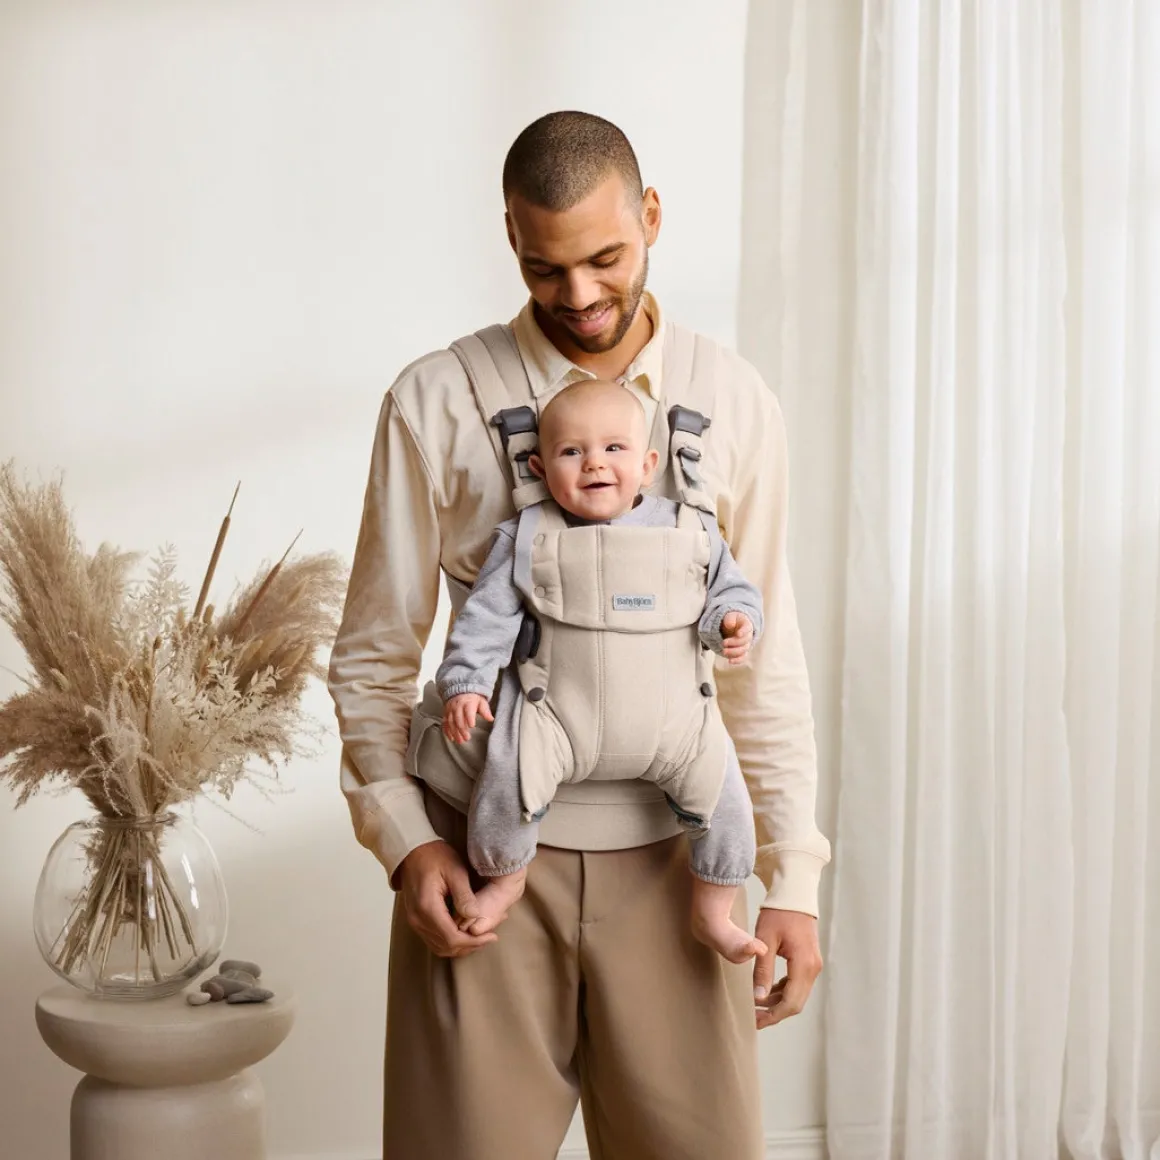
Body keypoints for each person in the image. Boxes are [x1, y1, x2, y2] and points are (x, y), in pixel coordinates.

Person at [328, 110, 832, 1160]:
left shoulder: (732, 400)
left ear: (651, 215)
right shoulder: (434, 400)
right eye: (544, 266)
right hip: (482, 857)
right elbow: (374, 655)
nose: (579, 295)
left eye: (606, 258)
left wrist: (792, 873)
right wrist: (405, 839)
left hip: (678, 861)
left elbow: (764, 658)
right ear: (510, 235)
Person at [436, 378, 767, 964]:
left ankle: (714, 909)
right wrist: (466, 683)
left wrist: (734, 622)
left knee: (727, 801)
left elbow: (733, 591)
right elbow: (486, 618)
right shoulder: (527, 534)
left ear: (648, 465)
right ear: (540, 467)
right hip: (556, 717)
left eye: (614, 448)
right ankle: (506, 879)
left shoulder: (691, 528)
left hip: (680, 728)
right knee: (505, 779)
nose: (594, 463)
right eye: (572, 451)